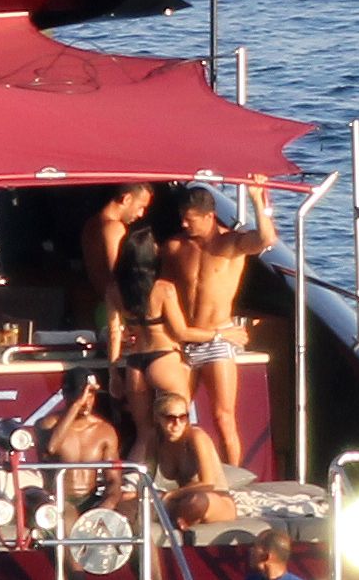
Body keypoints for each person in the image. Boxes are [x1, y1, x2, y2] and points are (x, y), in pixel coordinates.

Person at [161, 177, 276, 466]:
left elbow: (266, 240)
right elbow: (162, 290)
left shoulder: (231, 244)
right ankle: (180, 471)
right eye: (182, 218)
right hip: (184, 338)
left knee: (223, 417)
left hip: (220, 338)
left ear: (209, 217)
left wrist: (256, 200)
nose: (184, 224)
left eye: (190, 220)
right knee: (175, 413)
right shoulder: (175, 247)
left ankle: (233, 478)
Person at [106, 227, 248, 462]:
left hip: (135, 364)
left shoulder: (114, 290)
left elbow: (113, 333)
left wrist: (113, 374)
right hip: (164, 360)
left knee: (145, 435)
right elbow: (182, 332)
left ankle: (133, 480)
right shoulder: (163, 289)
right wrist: (220, 335)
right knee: (181, 429)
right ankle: (189, 473)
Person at [36, 367, 122, 529]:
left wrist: (108, 502)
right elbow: (51, 448)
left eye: (91, 394)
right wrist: (75, 406)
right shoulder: (47, 424)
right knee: (68, 520)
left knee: (131, 517)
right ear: (65, 394)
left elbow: (113, 480)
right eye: (81, 394)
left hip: (90, 498)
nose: (86, 401)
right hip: (57, 498)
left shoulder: (104, 431)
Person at [145, 392, 237, 530]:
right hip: (182, 499)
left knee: (196, 502)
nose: (177, 424)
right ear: (157, 418)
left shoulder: (196, 436)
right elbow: (146, 479)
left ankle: (174, 518)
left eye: (183, 417)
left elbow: (208, 484)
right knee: (130, 500)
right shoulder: (155, 439)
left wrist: (172, 495)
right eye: (170, 418)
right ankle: (177, 518)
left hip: (215, 499)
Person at [81, 182, 153, 327]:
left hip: (100, 305)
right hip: (116, 309)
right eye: (140, 207)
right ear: (127, 199)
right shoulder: (114, 227)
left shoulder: (92, 223)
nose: (141, 214)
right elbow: (118, 273)